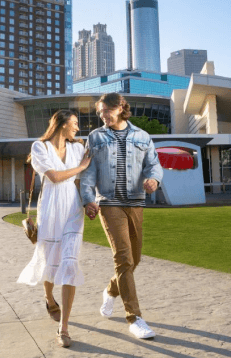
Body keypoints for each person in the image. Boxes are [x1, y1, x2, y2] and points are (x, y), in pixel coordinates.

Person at [80, 93, 163, 339]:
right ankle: (134, 318)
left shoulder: (142, 136)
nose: (103, 116)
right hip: (109, 204)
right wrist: (88, 200)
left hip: (136, 202)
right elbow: (88, 172)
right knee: (124, 258)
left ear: (120, 108)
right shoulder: (95, 137)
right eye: (100, 112)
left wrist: (154, 180)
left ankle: (110, 290)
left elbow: (154, 165)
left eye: (107, 111)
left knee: (134, 259)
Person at [17, 110, 91, 348]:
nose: (77, 128)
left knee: (69, 262)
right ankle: (49, 298)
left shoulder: (79, 150)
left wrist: (89, 202)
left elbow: (80, 182)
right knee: (50, 262)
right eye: (74, 124)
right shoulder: (40, 148)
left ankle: (64, 328)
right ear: (61, 124)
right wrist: (81, 167)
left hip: (72, 212)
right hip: (49, 211)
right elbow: (55, 177)